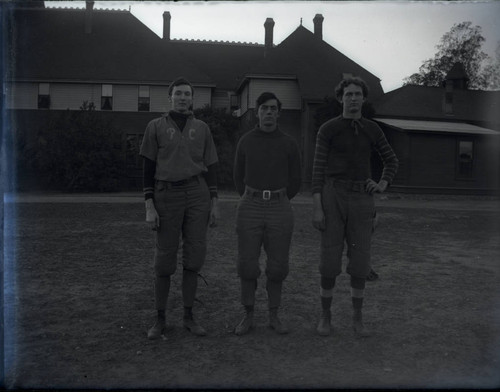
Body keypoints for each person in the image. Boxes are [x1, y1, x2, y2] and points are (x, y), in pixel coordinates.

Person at [311, 76, 398, 337]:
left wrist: (382, 183)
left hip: (362, 197)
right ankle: (325, 316)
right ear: (341, 98)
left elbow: (391, 160)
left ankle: (357, 318)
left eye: (357, 94)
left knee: (360, 262)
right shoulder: (328, 128)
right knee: (329, 261)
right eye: (348, 94)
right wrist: (317, 205)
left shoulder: (373, 129)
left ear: (363, 98)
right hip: (333, 195)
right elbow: (317, 170)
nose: (353, 98)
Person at [139, 77, 219, 340]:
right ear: (170, 97)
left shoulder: (202, 128)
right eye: (178, 94)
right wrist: (149, 204)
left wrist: (214, 202)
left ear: (192, 98)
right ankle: (160, 318)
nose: (183, 98)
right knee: (164, 259)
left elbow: (212, 167)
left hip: (197, 193)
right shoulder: (155, 126)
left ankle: (188, 316)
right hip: (167, 194)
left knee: (194, 256)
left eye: (187, 94)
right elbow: (148, 167)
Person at [233, 92, 302, 336]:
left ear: (279, 113)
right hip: (250, 205)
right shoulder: (246, 141)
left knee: (278, 266)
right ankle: (248, 315)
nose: (269, 112)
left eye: (274, 108)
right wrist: (251, 196)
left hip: (279, 206)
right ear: (257, 112)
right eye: (264, 108)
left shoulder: (289, 143)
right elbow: (238, 176)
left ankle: (274, 315)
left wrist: (278, 198)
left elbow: (296, 179)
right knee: (247, 264)